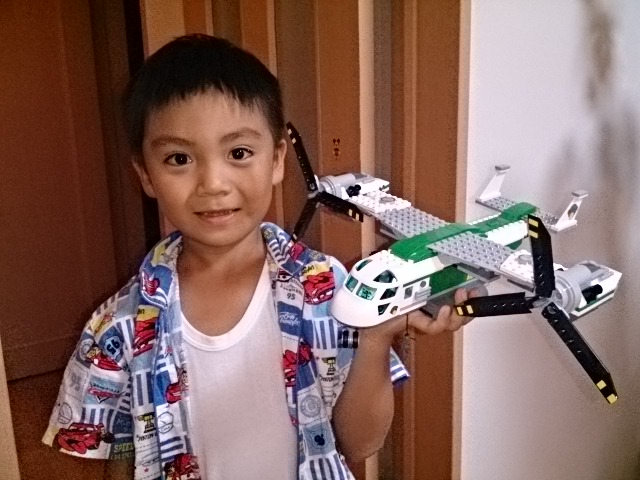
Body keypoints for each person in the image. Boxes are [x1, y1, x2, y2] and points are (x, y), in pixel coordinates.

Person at [42, 34, 476, 480]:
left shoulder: (328, 290)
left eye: (238, 153)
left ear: (277, 160)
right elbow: (119, 455)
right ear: (146, 175)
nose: (213, 183)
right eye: (179, 158)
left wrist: (376, 338)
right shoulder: (118, 325)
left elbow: (361, 444)